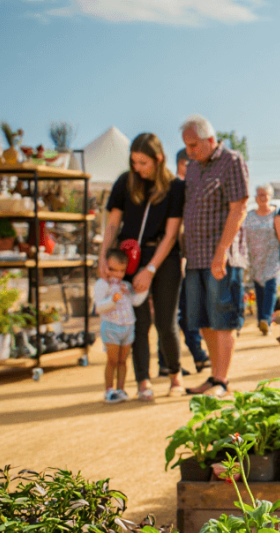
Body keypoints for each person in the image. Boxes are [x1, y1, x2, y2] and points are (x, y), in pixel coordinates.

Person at [100, 132, 185, 401]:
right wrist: (104, 256)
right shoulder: (125, 183)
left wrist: (150, 269)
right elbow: (113, 223)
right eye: (134, 162)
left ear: (158, 159)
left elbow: (171, 233)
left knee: (164, 321)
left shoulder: (175, 187)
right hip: (130, 258)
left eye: (143, 163)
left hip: (163, 257)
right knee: (137, 322)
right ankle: (143, 381)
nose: (138, 168)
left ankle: (175, 375)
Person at [180, 115, 249, 397]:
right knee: (204, 320)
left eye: (194, 145)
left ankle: (222, 379)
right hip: (196, 257)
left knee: (223, 318)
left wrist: (221, 253)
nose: (190, 151)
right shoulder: (193, 168)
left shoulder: (231, 161)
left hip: (221, 257)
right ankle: (216, 376)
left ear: (210, 140)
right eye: (186, 146)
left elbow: (239, 207)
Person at [170, 148, 210, 375]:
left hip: (189, 258)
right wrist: (182, 257)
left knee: (184, 311)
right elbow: (178, 228)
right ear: (184, 164)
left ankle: (195, 354)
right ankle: (194, 354)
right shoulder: (178, 188)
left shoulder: (190, 188)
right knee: (179, 312)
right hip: (179, 258)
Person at [95, 248, 148, 404]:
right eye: (112, 270)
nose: (116, 274)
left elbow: (135, 301)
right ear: (105, 266)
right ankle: (109, 390)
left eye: (121, 271)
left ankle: (121, 389)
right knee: (112, 360)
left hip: (128, 326)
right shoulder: (102, 285)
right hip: (111, 326)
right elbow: (99, 308)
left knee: (123, 361)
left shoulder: (125, 285)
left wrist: (143, 288)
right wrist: (113, 300)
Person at [243, 184, 280, 335]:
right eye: (260, 195)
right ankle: (262, 321)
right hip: (255, 258)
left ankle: (266, 319)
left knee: (271, 288)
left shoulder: (276, 215)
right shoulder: (249, 216)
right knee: (260, 291)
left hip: (273, 258)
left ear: (270, 196)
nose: (263, 197)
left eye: (265, 194)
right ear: (255, 198)